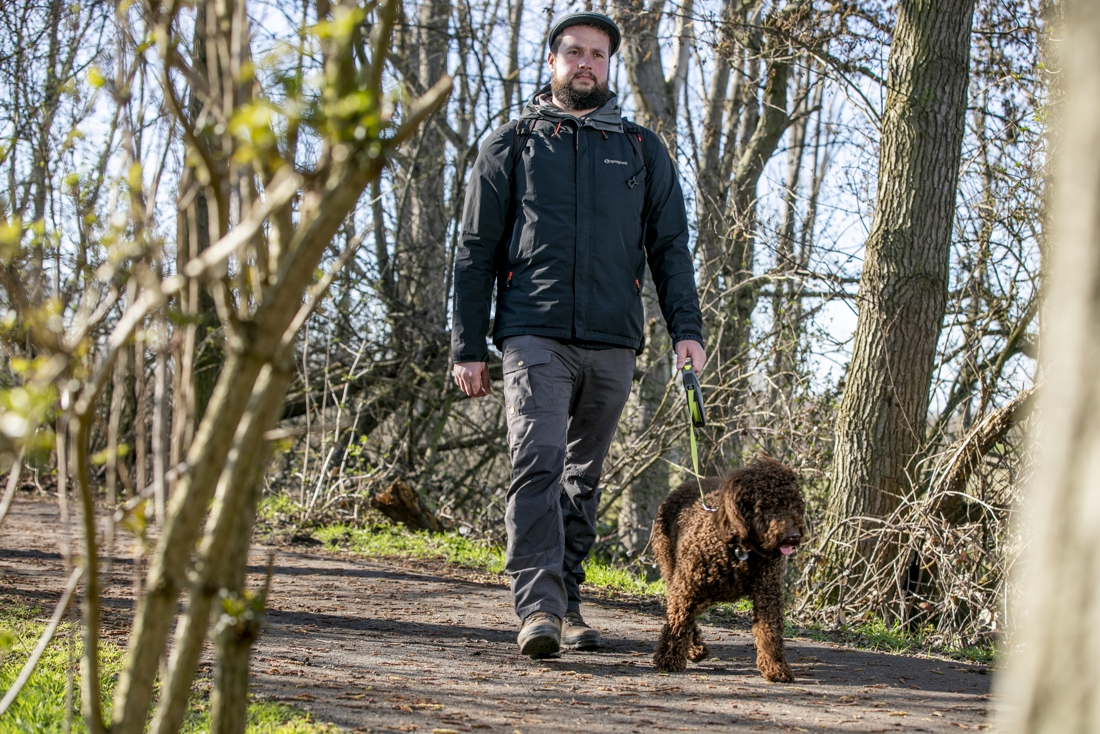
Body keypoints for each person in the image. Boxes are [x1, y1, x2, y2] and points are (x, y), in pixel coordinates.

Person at [450, 11, 706, 658]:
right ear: (552, 61)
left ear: (609, 65)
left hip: (613, 339)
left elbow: (670, 249)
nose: (586, 62)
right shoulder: (511, 144)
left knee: (582, 478)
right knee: (537, 459)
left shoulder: (643, 150)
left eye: (597, 54)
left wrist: (687, 331)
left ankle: (567, 603)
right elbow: (474, 251)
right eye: (574, 52)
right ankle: (536, 608)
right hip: (532, 333)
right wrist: (467, 345)